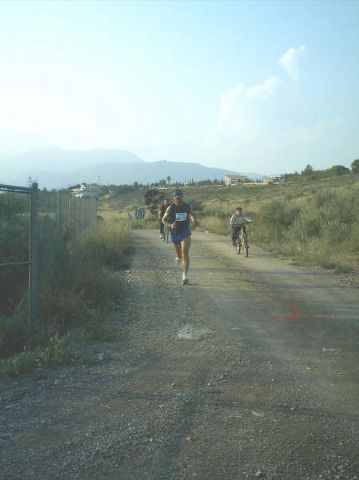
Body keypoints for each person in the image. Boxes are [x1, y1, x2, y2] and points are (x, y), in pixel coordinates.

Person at [162, 190, 195, 285]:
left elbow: (192, 215)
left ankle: (184, 275)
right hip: (175, 233)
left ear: (182, 197)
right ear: (173, 198)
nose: (177, 197)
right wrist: (170, 225)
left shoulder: (187, 206)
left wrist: (193, 220)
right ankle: (178, 257)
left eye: (179, 196)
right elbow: (163, 219)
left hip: (185, 232)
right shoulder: (170, 208)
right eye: (176, 196)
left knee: (185, 252)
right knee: (180, 256)